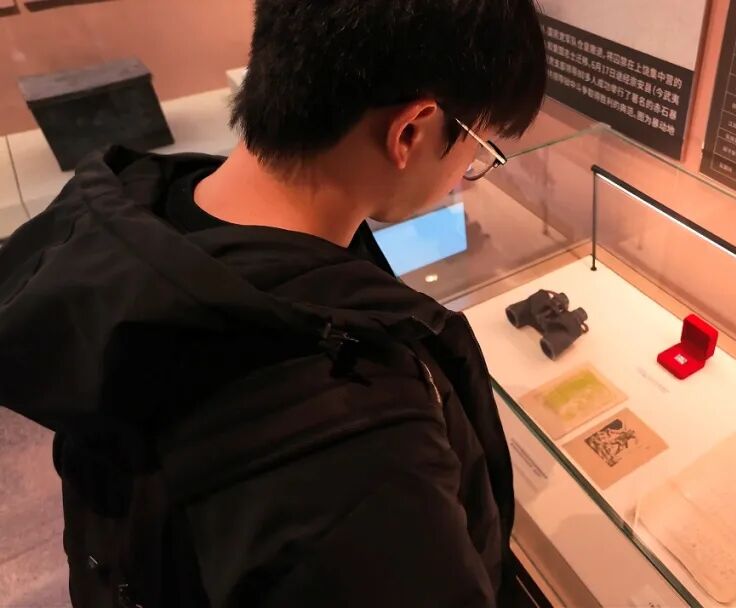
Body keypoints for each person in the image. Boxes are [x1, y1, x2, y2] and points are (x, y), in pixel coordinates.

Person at [0, 0, 547, 606]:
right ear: (411, 131)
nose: (468, 171)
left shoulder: (129, 236)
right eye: (478, 148)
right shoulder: (365, 455)